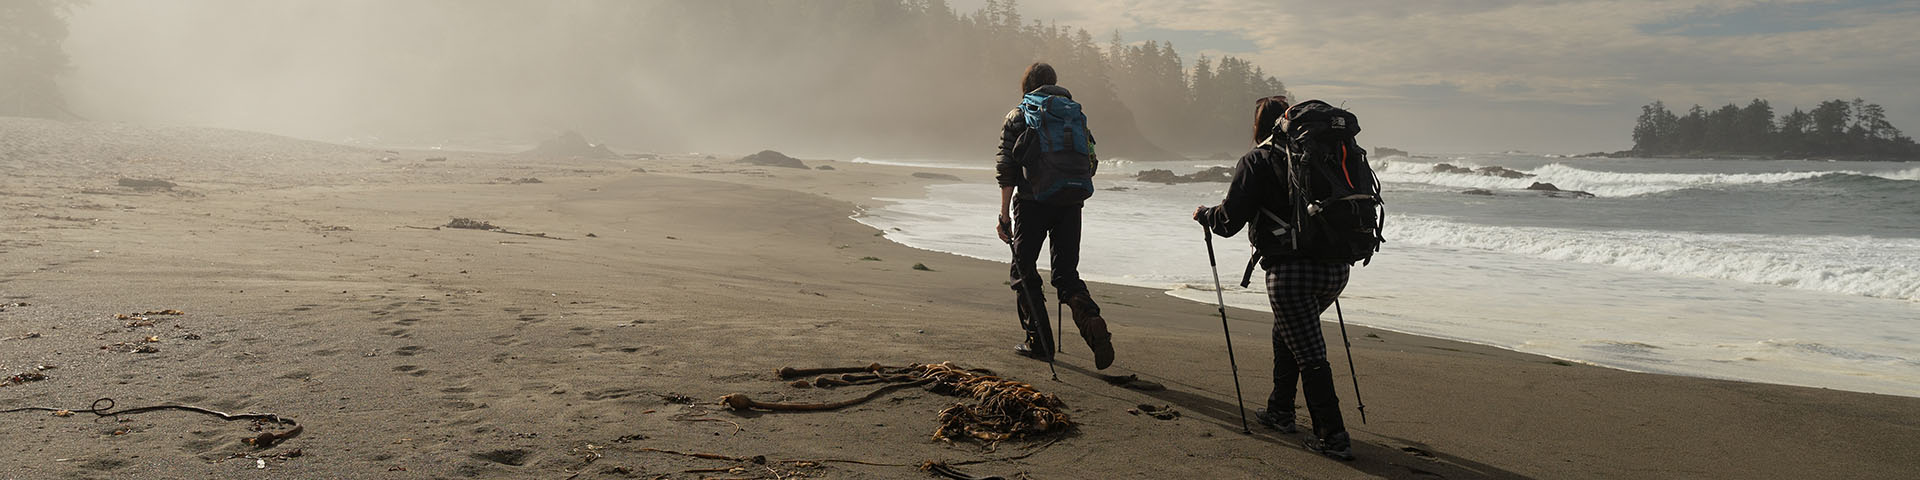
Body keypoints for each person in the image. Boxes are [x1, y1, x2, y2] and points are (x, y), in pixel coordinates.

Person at [1192, 95, 1356, 460]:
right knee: (1289, 334)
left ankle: (1334, 437)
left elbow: (1229, 222)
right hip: (1336, 269)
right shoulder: (1319, 155)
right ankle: (1280, 410)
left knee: (1310, 352)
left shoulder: (1258, 160)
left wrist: (1205, 215)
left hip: (1291, 273)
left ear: (1258, 125)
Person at [995, 62, 1114, 369]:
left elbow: (1007, 168)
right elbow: (1091, 162)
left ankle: (1040, 342)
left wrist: (1004, 214)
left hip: (1032, 203)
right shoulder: (1074, 114)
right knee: (1065, 275)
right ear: (1054, 83)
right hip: (1071, 203)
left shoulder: (1019, 115)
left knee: (1023, 269)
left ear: (1027, 84)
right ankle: (1092, 322)